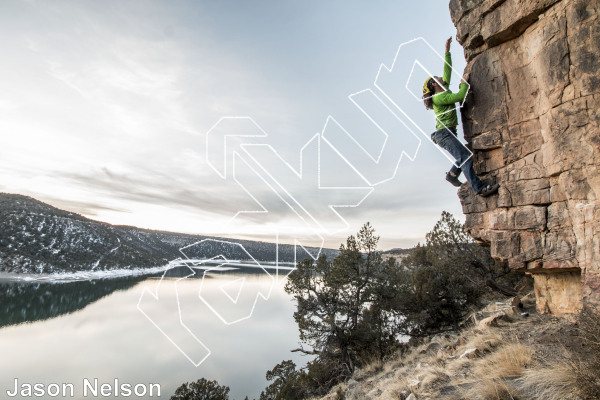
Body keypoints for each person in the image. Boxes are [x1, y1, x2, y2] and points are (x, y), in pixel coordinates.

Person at [422, 37, 499, 197]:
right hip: (444, 134)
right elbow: (460, 96)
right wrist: (464, 82)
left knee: (464, 153)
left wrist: (447, 51)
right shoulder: (439, 98)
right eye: (437, 79)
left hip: (448, 132)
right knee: (465, 157)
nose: (441, 78)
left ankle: (451, 175)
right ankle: (479, 189)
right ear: (434, 86)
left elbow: (447, 70)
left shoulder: (443, 90)